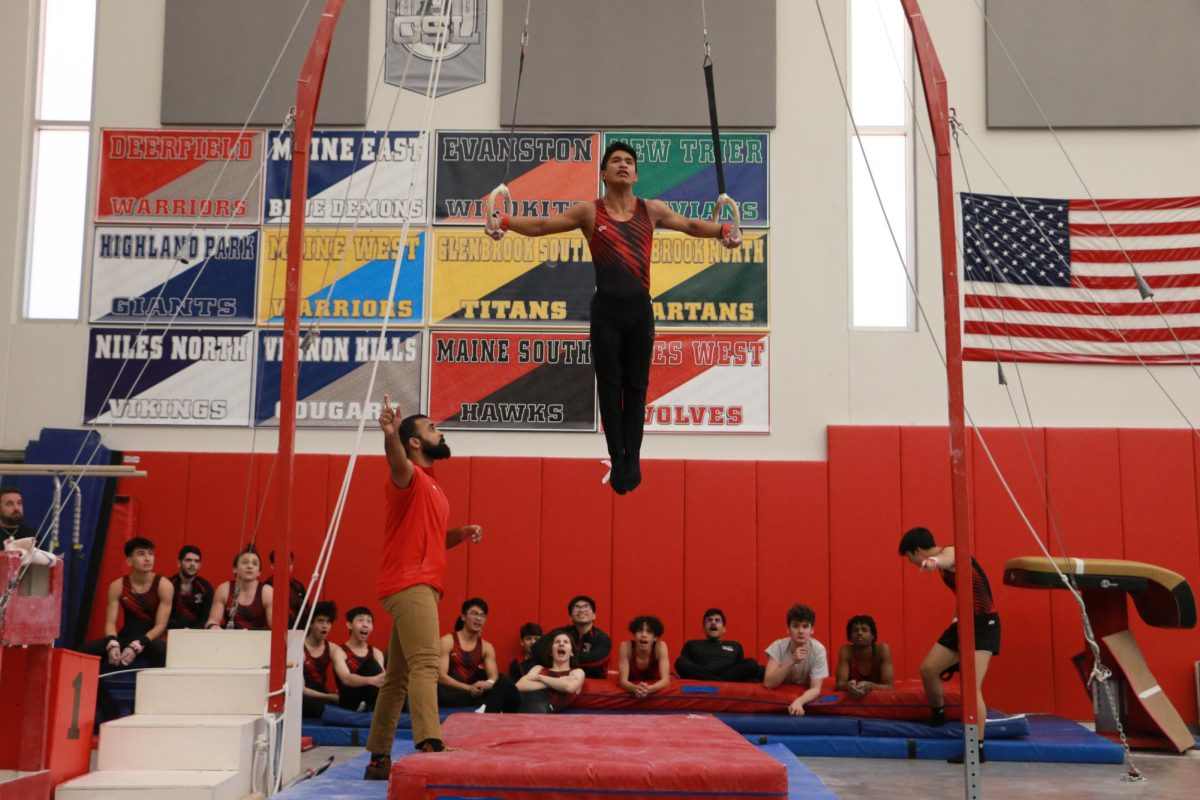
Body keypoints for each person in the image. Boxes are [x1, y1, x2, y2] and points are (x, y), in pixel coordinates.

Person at [487, 141, 742, 494]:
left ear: (636, 174)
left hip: (639, 312)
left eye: (629, 162)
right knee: (610, 387)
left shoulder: (650, 210)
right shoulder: (589, 212)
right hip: (606, 312)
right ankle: (616, 455)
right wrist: (505, 220)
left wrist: (725, 231)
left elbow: (690, 226)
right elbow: (543, 225)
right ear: (603, 174)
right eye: (616, 161)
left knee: (636, 388)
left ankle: (632, 457)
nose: (623, 165)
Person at [364, 397, 483, 779]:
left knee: (397, 677)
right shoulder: (409, 476)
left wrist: (458, 535)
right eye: (432, 427)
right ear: (414, 442)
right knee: (426, 665)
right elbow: (395, 461)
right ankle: (429, 742)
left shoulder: (433, 487)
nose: (441, 431)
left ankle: (378, 759)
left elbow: (428, 540)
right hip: (410, 585)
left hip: (419, 585)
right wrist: (389, 435)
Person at [899, 526, 1001, 762]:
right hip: (963, 624)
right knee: (929, 669)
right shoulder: (944, 568)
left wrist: (934, 560)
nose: (912, 563)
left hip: (984, 625)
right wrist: (956, 617)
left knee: (971, 688)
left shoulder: (952, 552)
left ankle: (978, 749)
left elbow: (947, 558)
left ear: (918, 551)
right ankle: (939, 714)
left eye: (910, 558)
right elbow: (966, 592)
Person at [79, 537, 175, 719]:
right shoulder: (117, 586)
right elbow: (110, 622)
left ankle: (141, 709)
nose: (148, 558)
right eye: (141, 554)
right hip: (126, 636)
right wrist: (112, 642)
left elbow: (161, 625)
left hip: (151, 639)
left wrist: (139, 644)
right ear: (129, 561)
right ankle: (110, 710)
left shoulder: (163, 585)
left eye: (151, 554)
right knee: (84, 653)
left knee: (162, 651)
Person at [479, 631, 585, 714]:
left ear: (571, 652)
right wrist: (556, 681)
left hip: (541, 706)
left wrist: (539, 678)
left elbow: (568, 687)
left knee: (538, 705)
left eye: (565, 642)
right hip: (518, 703)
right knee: (503, 679)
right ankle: (487, 720)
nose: (561, 644)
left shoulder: (577, 672)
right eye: (557, 642)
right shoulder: (539, 668)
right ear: (551, 652)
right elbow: (519, 685)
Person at [763, 604, 829, 717]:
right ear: (788, 629)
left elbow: (816, 688)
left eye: (805, 626)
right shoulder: (778, 646)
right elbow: (768, 683)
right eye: (795, 626)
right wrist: (792, 660)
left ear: (812, 630)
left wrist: (799, 702)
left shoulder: (818, 650)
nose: (800, 631)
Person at [436, 597, 499, 708]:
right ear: (463, 617)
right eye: (474, 614)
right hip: (447, 693)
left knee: (504, 683)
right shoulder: (447, 641)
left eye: (482, 615)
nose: (479, 619)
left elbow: (493, 677)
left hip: (469, 694)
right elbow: (440, 676)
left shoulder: (486, 647)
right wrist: (468, 688)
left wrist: (485, 685)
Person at [533, 595, 612, 678]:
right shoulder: (561, 632)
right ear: (570, 617)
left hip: (592, 682)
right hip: (560, 677)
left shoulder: (602, 638)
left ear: (594, 615)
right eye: (576, 608)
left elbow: (596, 660)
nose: (581, 610)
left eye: (586, 607)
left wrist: (561, 659)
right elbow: (537, 648)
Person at [674, 607, 761, 682]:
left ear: (724, 629)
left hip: (727, 673)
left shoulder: (735, 645)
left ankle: (713, 680)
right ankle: (717, 680)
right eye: (709, 620)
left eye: (717, 620)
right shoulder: (692, 644)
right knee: (680, 662)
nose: (713, 623)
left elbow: (739, 668)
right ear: (703, 629)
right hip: (702, 672)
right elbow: (685, 667)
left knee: (751, 663)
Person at [332, 606, 386, 711]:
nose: (365, 624)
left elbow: (381, 679)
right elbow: (346, 679)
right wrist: (372, 680)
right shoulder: (339, 651)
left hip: (370, 697)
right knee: (371, 664)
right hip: (350, 700)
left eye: (369, 621)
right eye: (360, 620)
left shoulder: (376, 652)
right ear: (349, 625)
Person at [206, 548, 274, 630]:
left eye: (255, 564)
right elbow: (212, 622)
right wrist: (214, 627)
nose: (250, 566)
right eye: (245, 562)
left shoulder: (267, 592)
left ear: (259, 572)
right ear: (235, 569)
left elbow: (274, 628)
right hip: (230, 639)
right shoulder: (224, 589)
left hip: (257, 640)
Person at [834, 614, 894, 698]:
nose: (859, 633)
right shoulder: (846, 651)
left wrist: (870, 686)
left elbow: (889, 686)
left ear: (873, 636)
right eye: (855, 630)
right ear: (850, 637)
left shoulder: (882, 650)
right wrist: (848, 686)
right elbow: (839, 685)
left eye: (864, 630)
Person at [302, 601, 341, 719]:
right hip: (305, 698)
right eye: (320, 621)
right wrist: (330, 697)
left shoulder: (332, 648)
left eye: (328, 622)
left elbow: (346, 677)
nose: (325, 626)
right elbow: (301, 690)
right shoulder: (299, 649)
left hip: (323, 697)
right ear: (310, 624)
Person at [617, 616, 671, 698]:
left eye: (649, 632)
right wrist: (635, 688)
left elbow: (666, 680)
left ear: (655, 637)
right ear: (634, 634)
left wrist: (650, 689)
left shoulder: (660, 647)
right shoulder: (625, 647)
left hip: (651, 686)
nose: (644, 635)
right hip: (635, 685)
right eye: (640, 631)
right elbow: (623, 681)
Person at [168, 545, 214, 630]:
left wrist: (192, 631)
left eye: (196, 561)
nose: (192, 564)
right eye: (188, 560)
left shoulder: (206, 588)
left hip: (198, 633)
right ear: (179, 563)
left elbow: (207, 617)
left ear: (200, 565)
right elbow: (163, 615)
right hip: (171, 631)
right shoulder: (168, 585)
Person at [266, 550, 307, 629]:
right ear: (272, 565)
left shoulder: (298, 586)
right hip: (273, 633)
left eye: (290, 562)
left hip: (298, 632)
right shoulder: (266, 587)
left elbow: (306, 611)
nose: (286, 565)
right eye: (281, 562)